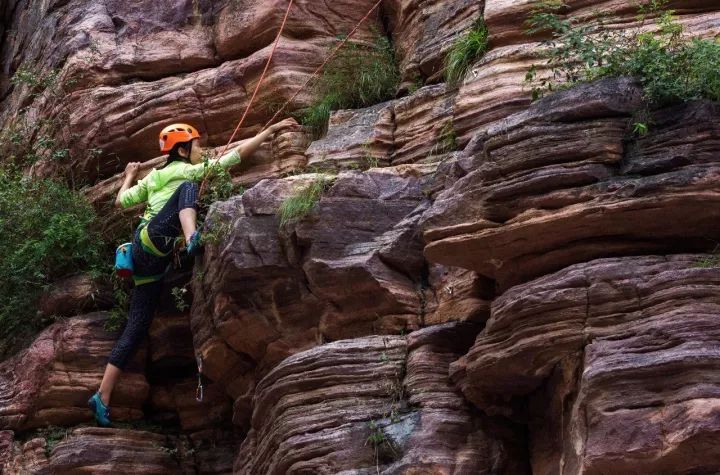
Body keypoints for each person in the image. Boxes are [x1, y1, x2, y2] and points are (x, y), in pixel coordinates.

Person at [88, 118, 295, 426]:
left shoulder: (153, 177)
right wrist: (267, 132)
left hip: (146, 256)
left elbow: (121, 201)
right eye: (198, 145)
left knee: (138, 325)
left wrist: (129, 176)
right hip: (156, 241)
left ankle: (102, 395)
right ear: (183, 150)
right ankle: (191, 238)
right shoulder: (184, 171)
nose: (202, 150)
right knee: (188, 188)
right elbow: (231, 160)